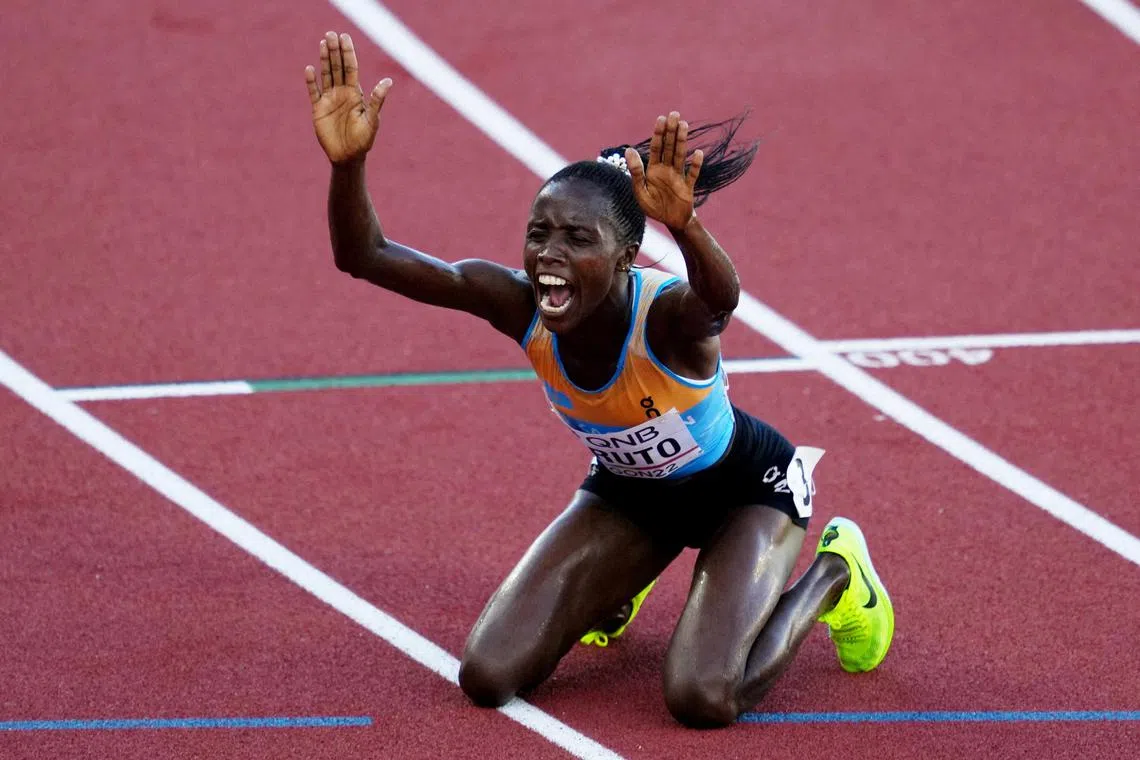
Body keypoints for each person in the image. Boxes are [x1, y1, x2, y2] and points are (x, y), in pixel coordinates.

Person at [304, 31, 894, 728]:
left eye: (578, 240)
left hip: (745, 494)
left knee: (703, 699)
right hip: (631, 498)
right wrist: (349, 165)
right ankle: (621, 583)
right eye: (538, 232)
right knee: (488, 676)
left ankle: (835, 574)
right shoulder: (518, 303)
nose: (550, 256)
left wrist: (692, 228)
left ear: (625, 258)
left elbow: (722, 302)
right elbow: (364, 256)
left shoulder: (668, 318)